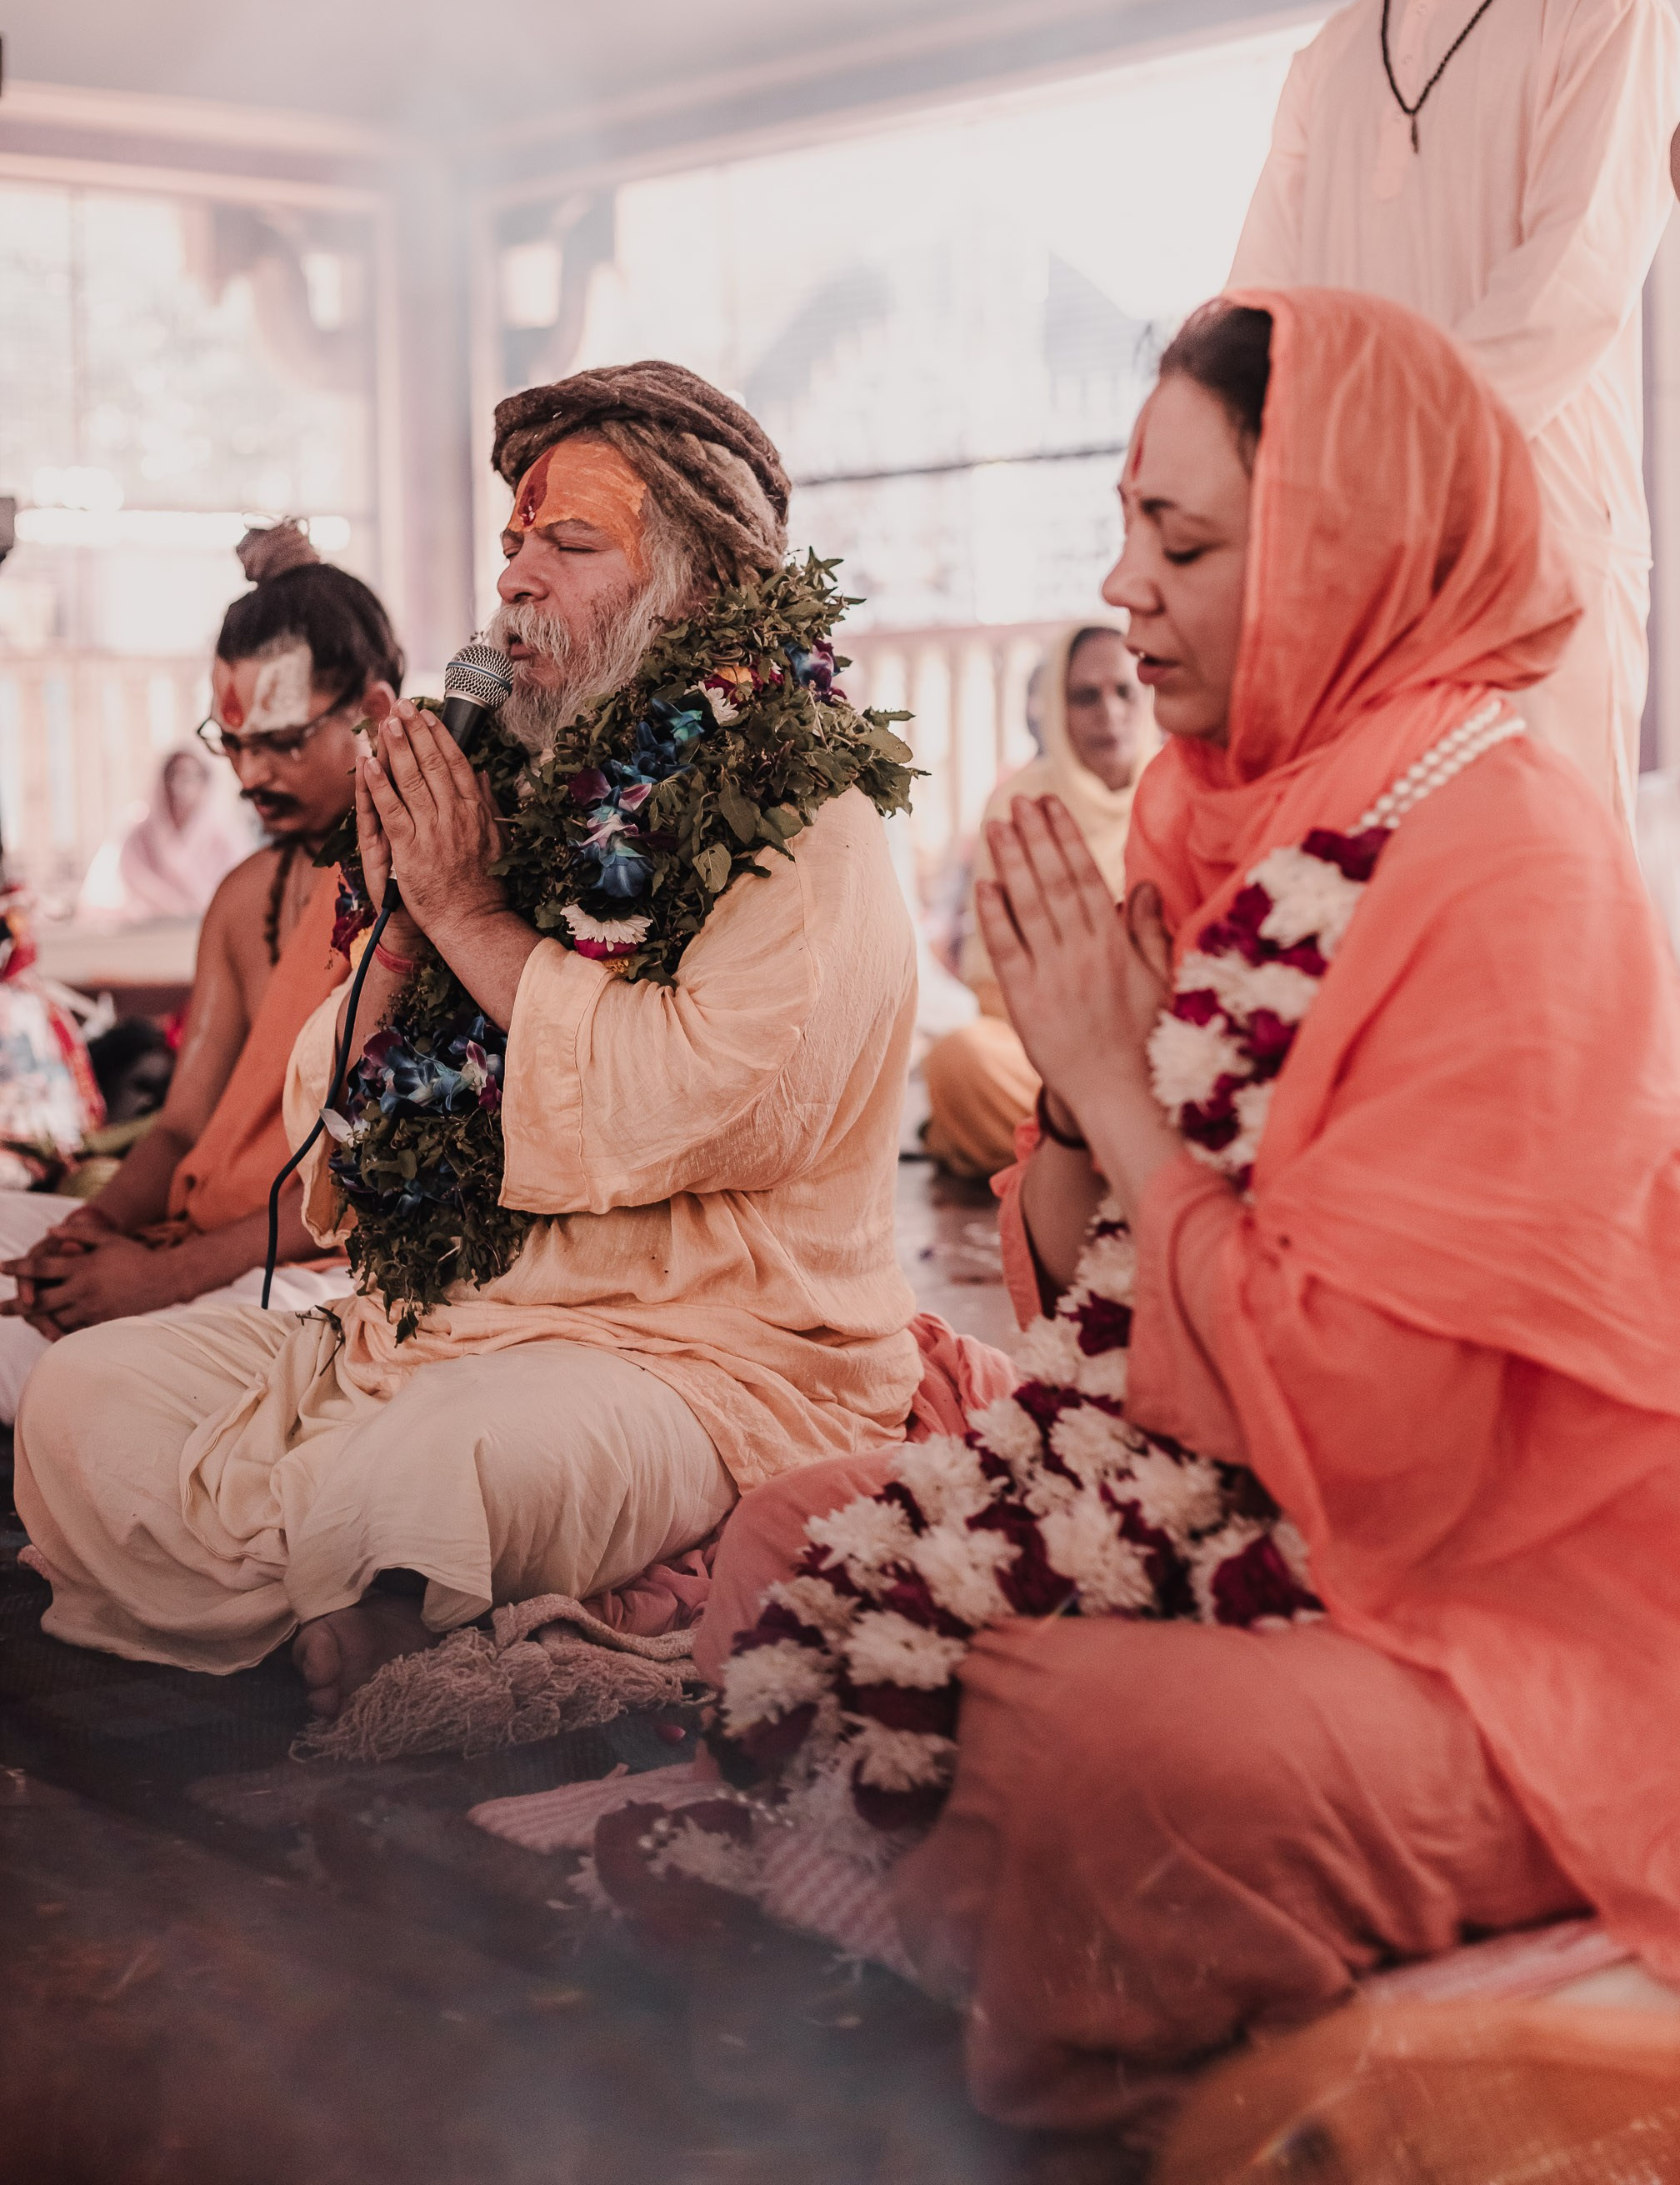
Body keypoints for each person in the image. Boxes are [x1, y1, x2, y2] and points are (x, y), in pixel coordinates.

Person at [685, 289, 1680, 2148]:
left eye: (1189, 540)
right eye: (1127, 528)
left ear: (1350, 555)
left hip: (1481, 1592)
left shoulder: (1512, 856)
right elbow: (1093, 1314)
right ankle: (1014, 1941)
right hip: (1195, 1461)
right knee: (780, 1539)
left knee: (1087, 1742)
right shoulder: (1203, 809)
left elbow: (1389, 1449)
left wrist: (1131, 1102)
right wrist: (1082, 1101)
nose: (1125, 590)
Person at [14, 362, 924, 1733]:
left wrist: (463, 907)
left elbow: (689, 1098)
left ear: (702, 579)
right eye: (513, 543)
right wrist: (394, 927)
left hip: (695, 1355)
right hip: (427, 1323)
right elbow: (338, 1123)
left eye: (569, 543)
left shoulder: (809, 811)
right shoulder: (503, 790)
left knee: (446, 1457)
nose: (515, 582)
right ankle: (379, 1591)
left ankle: (367, 1577)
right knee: (88, 1394)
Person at [1229, 0, 1680, 828]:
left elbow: (1568, 287)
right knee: (1349, 925)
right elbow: (1259, 312)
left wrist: (1365, 472)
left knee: (1539, 924)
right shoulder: (1329, 58)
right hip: (1349, 574)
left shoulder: (1604, 8)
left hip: (1535, 554)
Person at [0, 523, 402, 1422]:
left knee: (106, 1380)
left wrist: (159, 1276)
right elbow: (182, 1129)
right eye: (232, 742)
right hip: (196, 1235)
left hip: (325, 1271)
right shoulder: (242, 895)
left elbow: (379, 1183)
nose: (251, 775)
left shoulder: (421, 888)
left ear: (374, 711)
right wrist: (90, 1233)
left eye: (284, 742)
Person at [921, 620, 1149, 1178]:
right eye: (1085, 696)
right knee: (964, 1061)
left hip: (1152, 1041)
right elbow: (992, 984)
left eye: (1125, 691)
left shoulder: (1180, 789)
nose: (1110, 712)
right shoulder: (1019, 802)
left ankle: (1081, 1155)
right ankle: (1118, 1150)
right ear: (1056, 707)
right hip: (1046, 1046)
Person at [77, 742, 251, 927]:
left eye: (190, 777)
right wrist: (177, 908)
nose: (179, 787)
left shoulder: (226, 839)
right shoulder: (138, 835)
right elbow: (129, 889)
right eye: (173, 775)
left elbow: (237, 897)